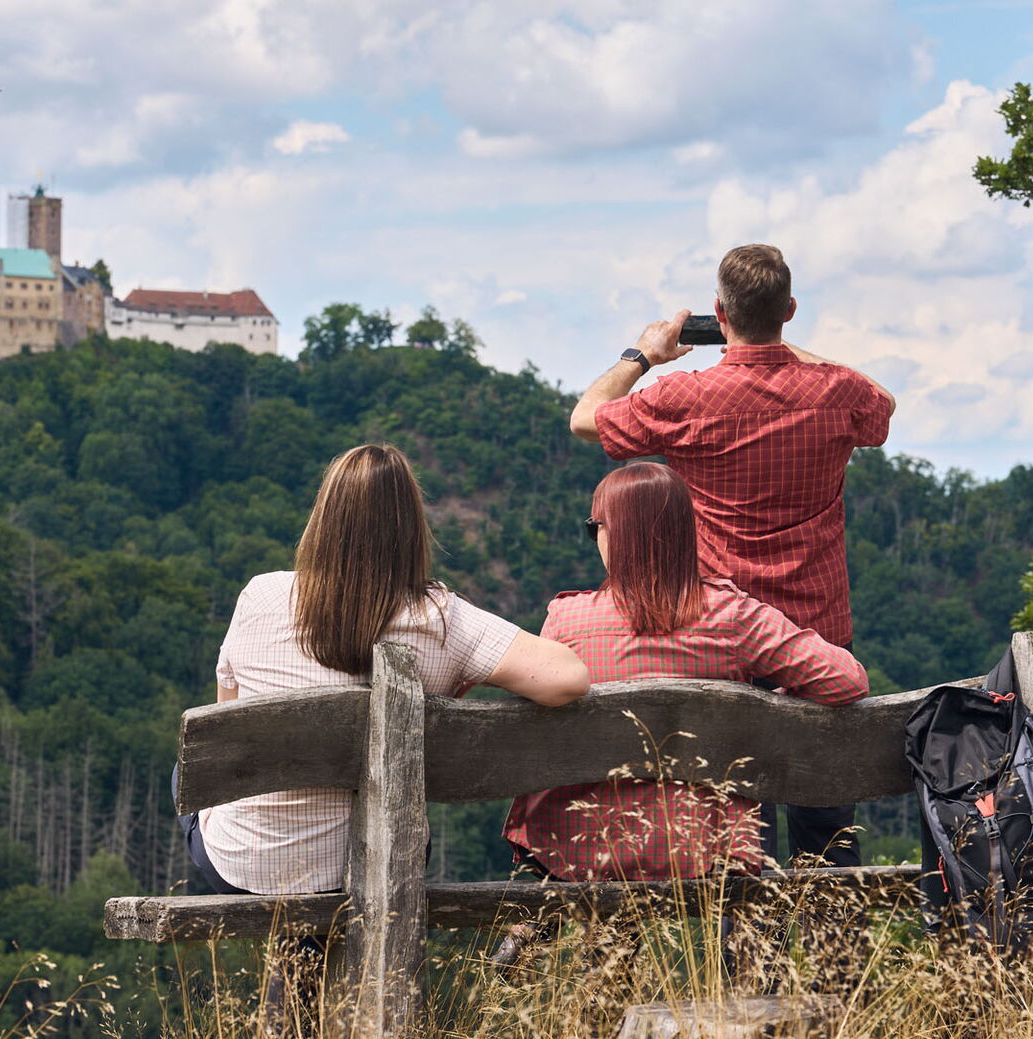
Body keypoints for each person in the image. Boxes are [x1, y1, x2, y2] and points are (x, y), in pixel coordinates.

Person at [568, 243, 895, 868]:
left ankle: (740, 965)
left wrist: (642, 355)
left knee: (737, 832)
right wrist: (790, 349)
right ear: (791, 308)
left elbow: (587, 418)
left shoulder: (686, 397)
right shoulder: (835, 391)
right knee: (827, 827)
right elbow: (881, 400)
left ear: (719, 313)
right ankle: (839, 956)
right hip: (819, 633)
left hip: (723, 635)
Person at [183, 442, 590, 897]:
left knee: (187, 770)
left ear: (324, 518)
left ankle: (299, 962)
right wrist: (469, 674)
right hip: (378, 866)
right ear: (411, 528)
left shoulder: (261, 595)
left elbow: (227, 723)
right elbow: (568, 678)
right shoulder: (440, 620)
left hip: (245, 863)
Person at [503, 462, 868, 885]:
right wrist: (772, 707)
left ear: (614, 534)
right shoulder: (734, 617)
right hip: (707, 847)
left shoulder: (566, 621)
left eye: (594, 527)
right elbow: (847, 679)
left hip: (581, 845)